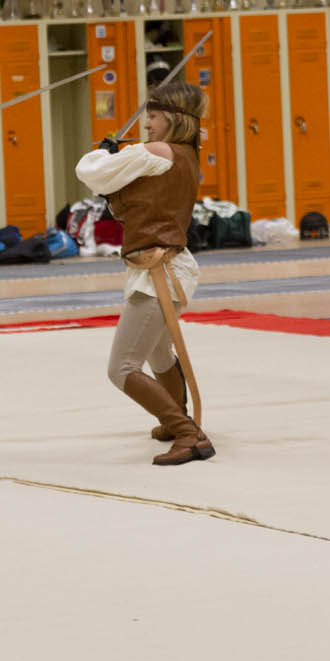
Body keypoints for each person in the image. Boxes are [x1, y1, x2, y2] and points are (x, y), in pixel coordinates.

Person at [74, 81, 215, 466]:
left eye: (153, 117)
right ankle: (175, 421)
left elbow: (91, 172)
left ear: (174, 119)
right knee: (158, 351)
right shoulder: (185, 154)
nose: (147, 124)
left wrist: (103, 153)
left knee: (121, 368)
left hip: (160, 274)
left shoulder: (157, 152)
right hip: (167, 269)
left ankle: (188, 433)